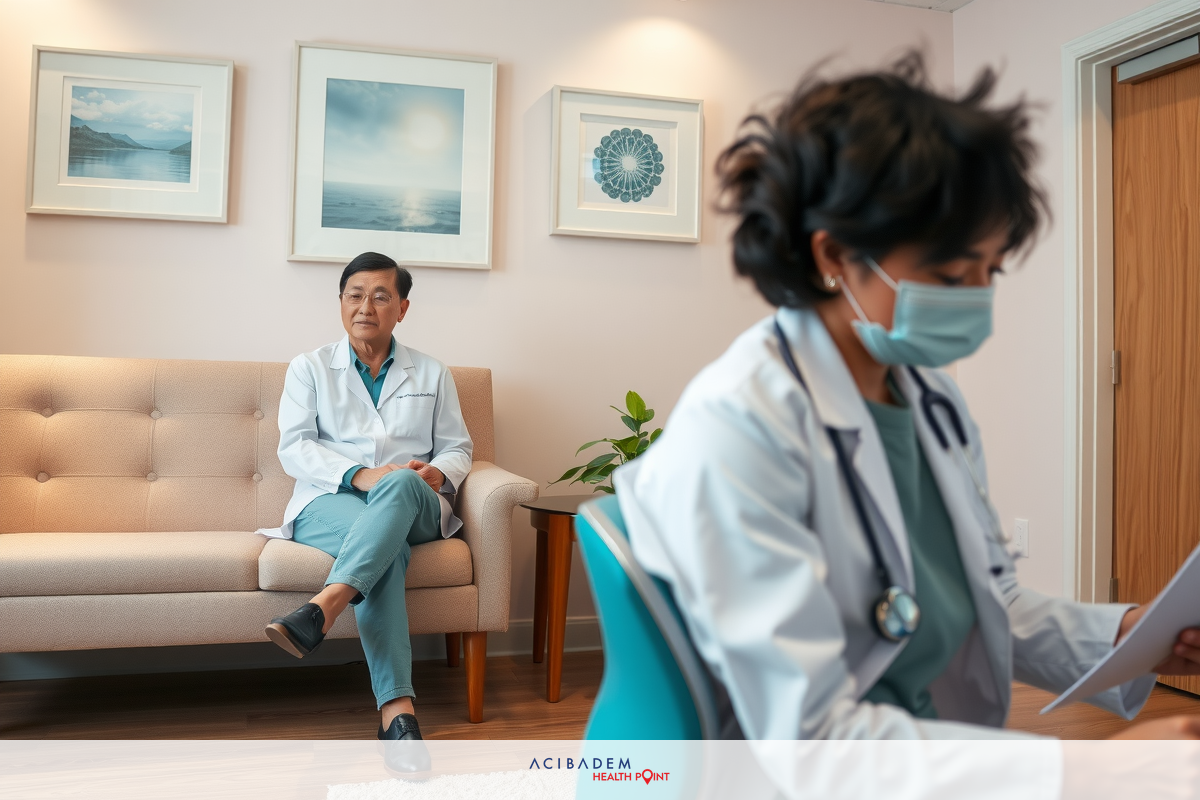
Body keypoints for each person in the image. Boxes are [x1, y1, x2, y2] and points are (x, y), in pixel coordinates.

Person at [614, 53, 1200, 765]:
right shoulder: (738, 428)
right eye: (951, 274)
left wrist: (1136, 634)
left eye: (991, 271)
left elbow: (987, 604)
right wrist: (1091, 769)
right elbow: (811, 741)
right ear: (833, 254)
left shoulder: (926, 394)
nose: (976, 297)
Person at [260, 251, 472, 771]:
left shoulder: (433, 371)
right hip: (329, 502)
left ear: (402, 308)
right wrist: (360, 475)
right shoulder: (308, 368)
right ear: (340, 303)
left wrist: (434, 475)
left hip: (415, 500)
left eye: (381, 296)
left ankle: (325, 606)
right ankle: (397, 715)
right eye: (354, 295)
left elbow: (459, 448)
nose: (366, 306)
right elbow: (295, 447)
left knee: (399, 485)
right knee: (387, 551)